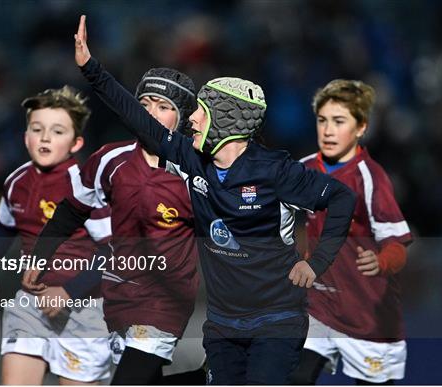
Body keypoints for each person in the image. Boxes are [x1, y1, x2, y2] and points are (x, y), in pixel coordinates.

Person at [64, 15, 356, 385]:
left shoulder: (275, 171)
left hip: (276, 321)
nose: (192, 121)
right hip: (222, 326)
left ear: (226, 120)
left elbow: (342, 197)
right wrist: (91, 69)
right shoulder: (191, 160)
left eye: (201, 113)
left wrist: (318, 263)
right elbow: (139, 119)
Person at [23, 67, 203, 384]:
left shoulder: (194, 174)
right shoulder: (110, 158)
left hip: (164, 300)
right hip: (118, 297)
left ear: (182, 119)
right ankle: (210, 378)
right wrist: (40, 258)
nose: (150, 114)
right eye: (145, 104)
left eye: (163, 107)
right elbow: (70, 211)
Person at [0, 86, 112, 385]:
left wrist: (69, 291)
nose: (45, 137)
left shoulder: (87, 188)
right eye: (37, 128)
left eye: (57, 131)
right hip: (30, 305)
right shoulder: (15, 181)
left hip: (84, 308)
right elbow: (4, 226)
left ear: (76, 142)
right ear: (26, 137)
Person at [289, 79, 413, 385]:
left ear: (360, 128)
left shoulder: (370, 178)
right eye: (322, 120)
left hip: (367, 311)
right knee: (293, 376)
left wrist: (381, 261)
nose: (328, 130)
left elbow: (397, 244)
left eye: (339, 121)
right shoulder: (301, 171)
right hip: (317, 305)